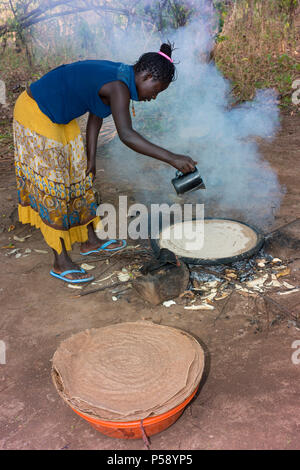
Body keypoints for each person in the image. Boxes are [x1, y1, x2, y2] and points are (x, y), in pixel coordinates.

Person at [13, 42, 197, 284]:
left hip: (59, 116)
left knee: (80, 179)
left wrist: (90, 158)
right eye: (155, 91)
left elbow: (96, 114)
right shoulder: (119, 86)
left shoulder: (121, 76)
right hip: (36, 112)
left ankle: (90, 241)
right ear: (147, 75)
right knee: (54, 188)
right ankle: (60, 261)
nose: (153, 97)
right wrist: (173, 158)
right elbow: (127, 135)